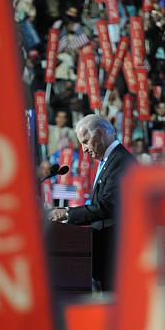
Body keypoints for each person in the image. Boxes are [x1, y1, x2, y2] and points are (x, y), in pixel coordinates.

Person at [48, 114, 136, 291]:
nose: (84, 149)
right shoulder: (108, 161)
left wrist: (67, 213)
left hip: (114, 255)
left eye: (86, 141)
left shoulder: (121, 161)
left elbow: (107, 206)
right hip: (103, 254)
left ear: (101, 133)